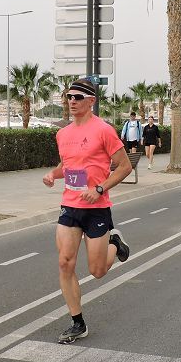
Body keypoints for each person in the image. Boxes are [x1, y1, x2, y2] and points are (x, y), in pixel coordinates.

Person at [42, 78, 132, 344]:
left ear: (91, 101)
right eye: (69, 96)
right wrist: (52, 174)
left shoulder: (104, 130)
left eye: (78, 97)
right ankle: (77, 322)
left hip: (97, 208)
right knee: (65, 262)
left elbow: (124, 166)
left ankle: (115, 243)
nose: (72, 101)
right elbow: (67, 167)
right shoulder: (63, 134)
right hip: (70, 205)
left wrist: (101, 189)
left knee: (97, 271)